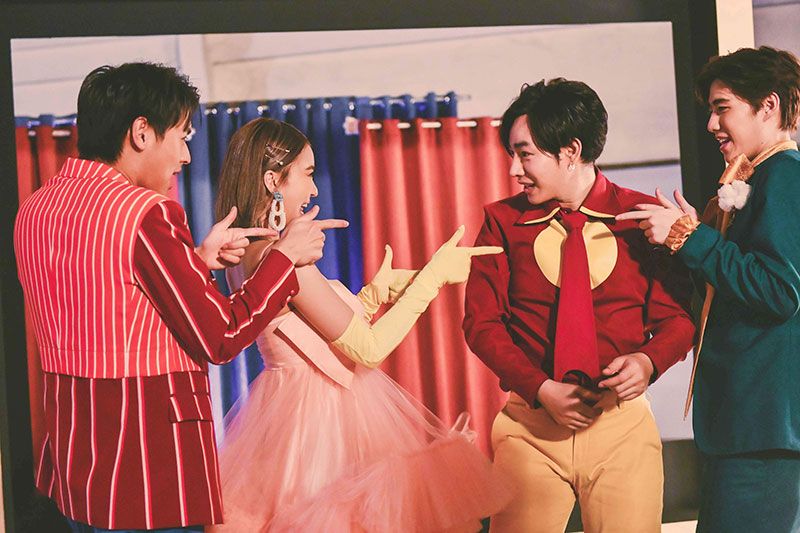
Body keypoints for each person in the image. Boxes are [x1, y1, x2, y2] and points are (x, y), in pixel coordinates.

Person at [13, 62, 347, 532]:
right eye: (181, 135)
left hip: (76, 468)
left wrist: (195, 262)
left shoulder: (36, 208)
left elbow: (109, 298)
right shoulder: (146, 213)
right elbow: (222, 337)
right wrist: (284, 257)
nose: (186, 155)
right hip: (146, 472)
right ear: (142, 133)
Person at [208, 117, 511, 533]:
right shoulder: (283, 258)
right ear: (273, 180)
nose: (315, 190)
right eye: (308, 174)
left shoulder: (246, 252)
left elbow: (310, 334)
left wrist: (371, 296)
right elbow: (368, 349)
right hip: (320, 422)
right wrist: (432, 278)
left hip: (290, 413)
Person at [462, 78, 696, 533]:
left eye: (525, 154)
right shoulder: (501, 222)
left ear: (570, 151)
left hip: (621, 427)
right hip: (529, 430)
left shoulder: (642, 217)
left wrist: (648, 361)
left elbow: (677, 320)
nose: (513, 169)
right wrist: (540, 388)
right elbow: (481, 324)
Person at [618, 46, 800, 533]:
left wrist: (689, 237)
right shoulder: (762, 175)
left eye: (723, 109)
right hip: (748, 425)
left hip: (763, 427)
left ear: (768, 106)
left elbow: (779, 291)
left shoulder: (785, 176)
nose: (712, 125)